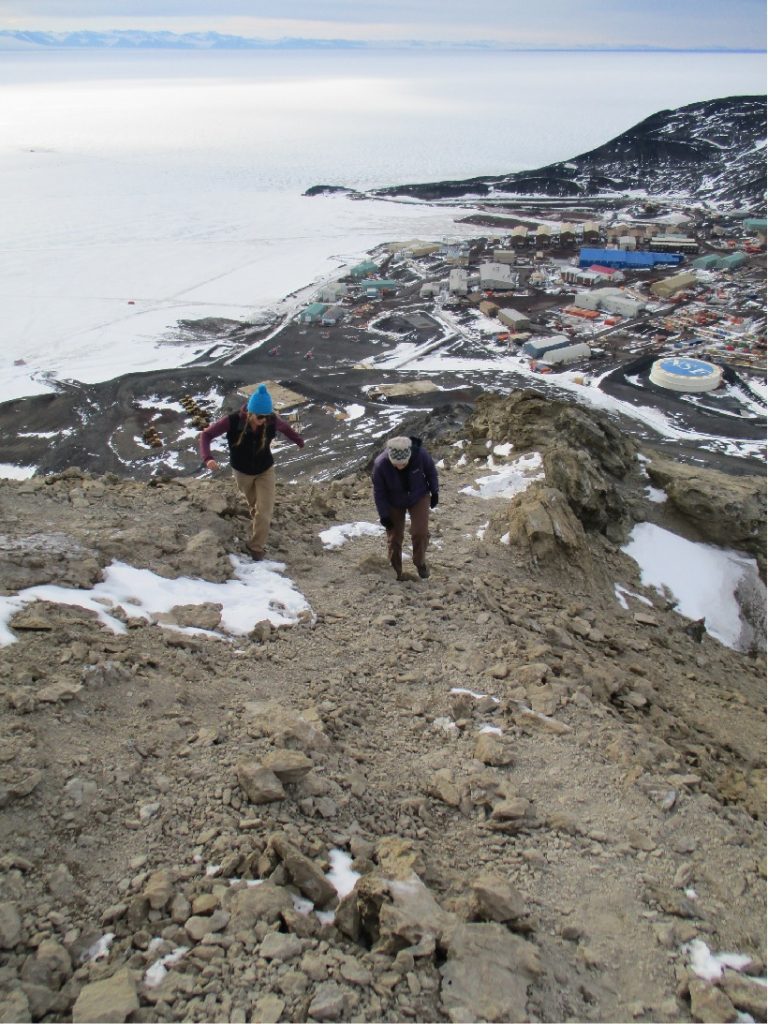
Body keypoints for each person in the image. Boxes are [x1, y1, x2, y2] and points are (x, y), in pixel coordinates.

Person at [199, 383, 304, 560]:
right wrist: (208, 458)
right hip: (242, 472)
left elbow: (285, 428)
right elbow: (206, 435)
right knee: (255, 507)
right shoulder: (233, 421)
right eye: (260, 417)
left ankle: (256, 547)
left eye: (267, 416)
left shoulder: (270, 419)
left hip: (265, 469)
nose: (264, 420)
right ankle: (256, 529)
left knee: (264, 510)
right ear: (250, 413)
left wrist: (298, 440)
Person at [372, 435, 439, 581]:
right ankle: (396, 573)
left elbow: (431, 472)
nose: (399, 466)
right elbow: (379, 492)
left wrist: (435, 492)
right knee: (395, 537)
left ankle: (420, 562)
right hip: (393, 500)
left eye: (403, 463)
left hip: (418, 495)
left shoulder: (421, 455)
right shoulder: (380, 464)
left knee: (420, 532)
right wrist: (384, 515)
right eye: (396, 463)